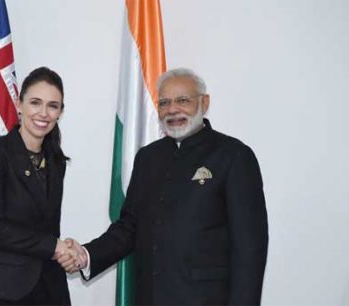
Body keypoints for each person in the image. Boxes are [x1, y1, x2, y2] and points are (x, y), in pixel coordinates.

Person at [60, 68, 269, 305]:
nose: (172, 110)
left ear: (205, 102)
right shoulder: (148, 158)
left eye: (183, 101)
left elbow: (250, 248)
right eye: (164, 103)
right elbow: (129, 228)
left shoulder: (233, 156)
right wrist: (86, 255)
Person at [0, 67, 76, 305]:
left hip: (46, 287)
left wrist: (65, 251)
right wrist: (53, 246)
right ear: (19, 104)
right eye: (35, 102)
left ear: (60, 112)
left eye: (53, 106)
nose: (43, 113)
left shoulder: (56, 162)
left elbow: (47, 227)